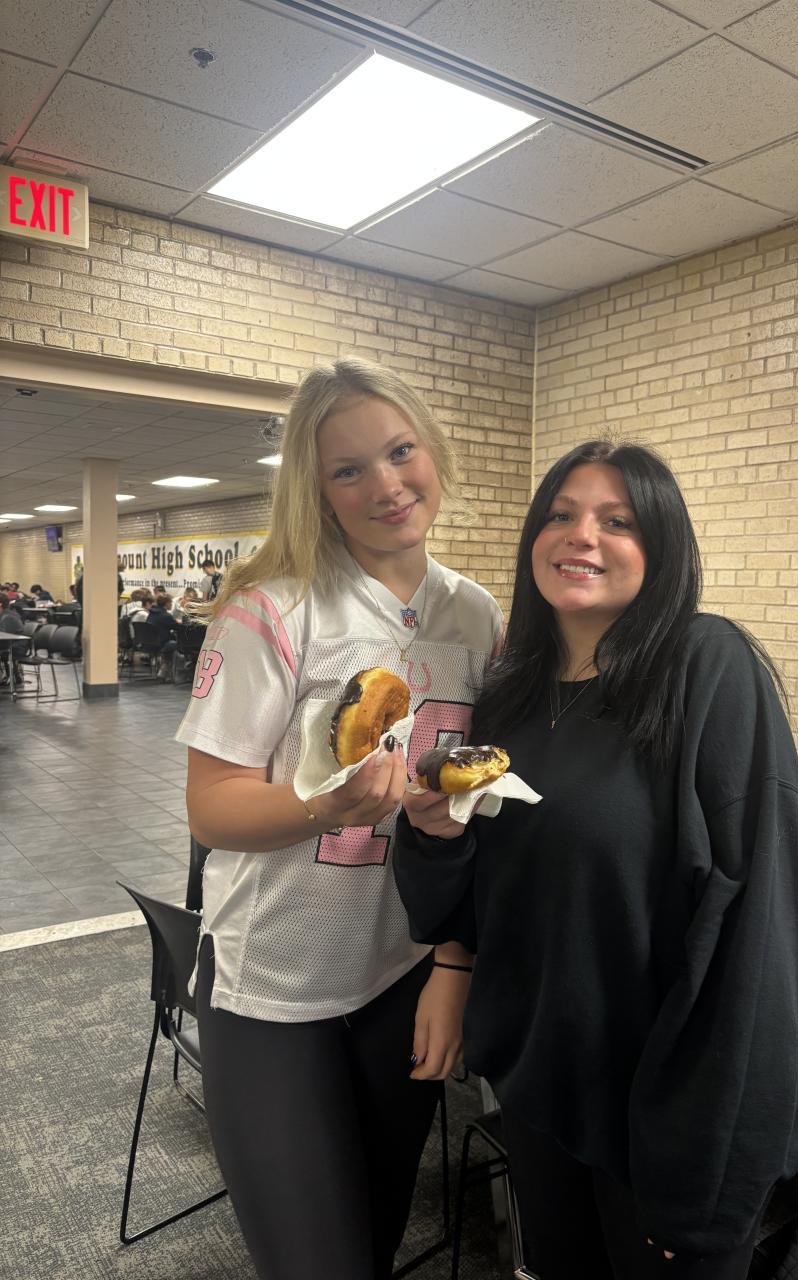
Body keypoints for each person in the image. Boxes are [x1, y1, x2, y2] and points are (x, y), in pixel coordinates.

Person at [395, 439, 798, 1280]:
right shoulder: (512, 695)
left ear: (660, 547)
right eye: (560, 515)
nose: (582, 536)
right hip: (543, 1090)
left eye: (617, 521)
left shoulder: (707, 668)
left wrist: (708, 1173)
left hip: (668, 1111)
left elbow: (760, 940)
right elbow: (473, 907)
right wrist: (436, 838)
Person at [176, 357, 502, 1280]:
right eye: (348, 470)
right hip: (274, 986)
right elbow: (211, 807)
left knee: (375, 1239)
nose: (386, 485)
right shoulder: (272, 609)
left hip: (403, 974)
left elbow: (477, 815)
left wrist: (453, 966)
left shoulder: (476, 616)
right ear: (315, 491)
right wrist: (320, 805)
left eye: (400, 452)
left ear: (432, 452)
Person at [147, 591, 179, 680]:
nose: (172, 604)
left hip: (149, 643)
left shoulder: (152, 613)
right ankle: (168, 670)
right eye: (171, 602)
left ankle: (163, 668)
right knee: (178, 644)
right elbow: (177, 627)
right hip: (161, 644)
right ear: (166, 603)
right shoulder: (165, 615)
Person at [0, 591, 27, 686]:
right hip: (9, 645)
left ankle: (12, 675)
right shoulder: (4, 614)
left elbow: (4, 637)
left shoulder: (8, 617)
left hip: (16, 648)